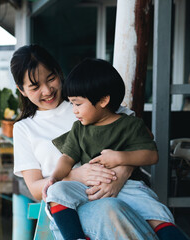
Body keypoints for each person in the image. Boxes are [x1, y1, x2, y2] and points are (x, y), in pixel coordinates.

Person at [11, 44, 162, 240]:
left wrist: (121, 172)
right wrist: (76, 175)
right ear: (21, 90)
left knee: (138, 212)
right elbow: (35, 189)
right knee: (110, 209)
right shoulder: (24, 128)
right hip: (72, 208)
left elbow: (143, 137)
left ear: (59, 71)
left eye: (51, 79)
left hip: (122, 192)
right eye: (35, 86)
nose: (47, 90)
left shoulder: (87, 97)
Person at [42, 58, 188, 240]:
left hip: (129, 186)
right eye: (71, 104)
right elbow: (66, 158)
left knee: (156, 213)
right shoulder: (79, 129)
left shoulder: (130, 124)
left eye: (78, 104)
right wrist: (54, 177)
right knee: (57, 191)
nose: (74, 110)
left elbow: (151, 156)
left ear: (103, 100)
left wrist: (120, 158)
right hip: (87, 188)